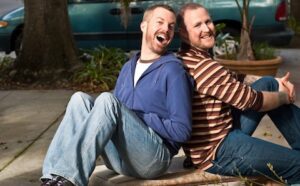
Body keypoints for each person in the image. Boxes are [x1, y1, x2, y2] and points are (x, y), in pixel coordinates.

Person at [40, 4, 194, 186]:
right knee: (79, 99)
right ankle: (50, 177)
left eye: (170, 26)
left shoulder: (173, 70)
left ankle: (68, 180)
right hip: (121, 158)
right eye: (160, 22)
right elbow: (114, 114)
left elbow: (182, 130)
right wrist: (126, 115)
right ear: (144, 26)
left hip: (153, 158)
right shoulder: (128, 67)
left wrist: (140, 116)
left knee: (107, 99)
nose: (166, 29)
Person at [176, 3, 300, 184]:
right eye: (197, 25)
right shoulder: (204, 67)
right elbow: (255, 101)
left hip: (216, 136)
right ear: (184, 33)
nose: (206, 28)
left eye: (208, 21)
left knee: (268, 83)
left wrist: (277, 82)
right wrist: (283, 97)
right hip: (218, 151)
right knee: (296, 165)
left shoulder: (188, 57)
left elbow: (234, 77)